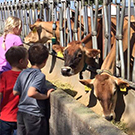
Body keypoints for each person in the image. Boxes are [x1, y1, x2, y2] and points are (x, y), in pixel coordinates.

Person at [13, 43, 54, 135]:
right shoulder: (40, 75)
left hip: (21, 113)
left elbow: (15, 92)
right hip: (34, 115)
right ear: (45, 60)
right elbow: (31, 93)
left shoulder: (23, 73)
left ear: (28, 59)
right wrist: (45, 96)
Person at [0, 46, 28, 135]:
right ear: (21, 61)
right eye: (27, 59)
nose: (28, 62)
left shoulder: (4, 76)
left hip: (5, 116)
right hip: (22, 117)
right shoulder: (27, 76)